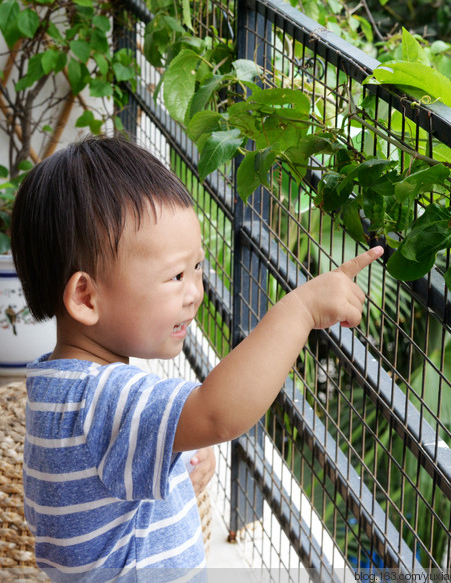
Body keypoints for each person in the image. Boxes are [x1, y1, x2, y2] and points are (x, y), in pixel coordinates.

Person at [11, 135, 383, 581]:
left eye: (198, 268)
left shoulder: (59, 386)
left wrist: (171, 469)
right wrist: (301, 309)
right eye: (176, 275)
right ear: (86, 297)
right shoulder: (104, 398)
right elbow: (218, 413)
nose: (196, 292)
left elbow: (111, 494)